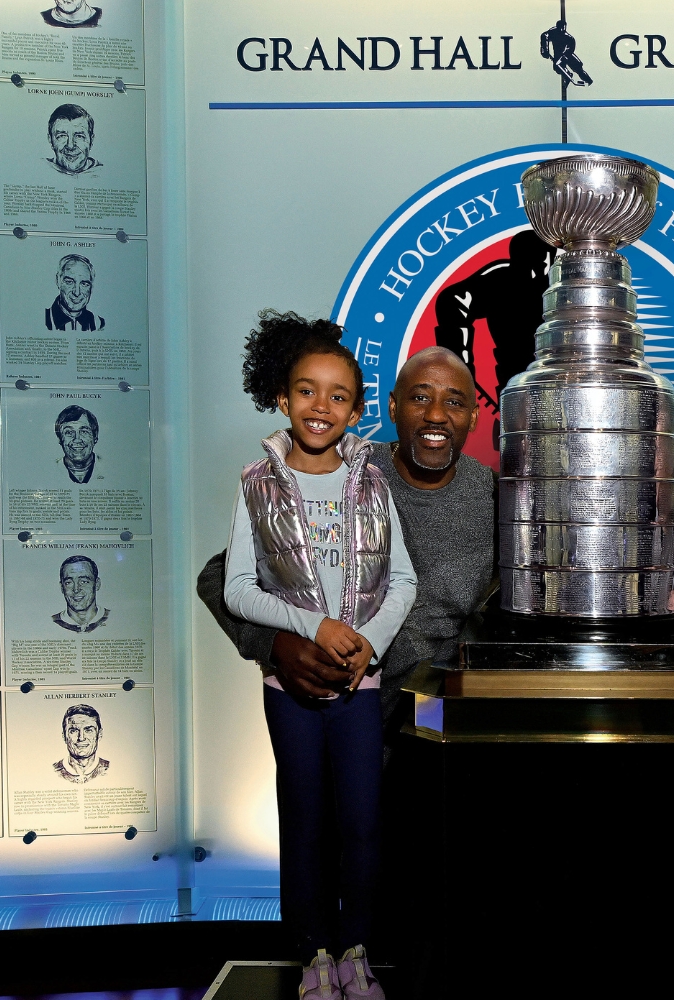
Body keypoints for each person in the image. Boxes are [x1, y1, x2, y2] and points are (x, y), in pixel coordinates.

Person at [223, 310, 417, 1000]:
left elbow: (405, 579)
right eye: (307, 391)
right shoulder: (256, 484)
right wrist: (313, 626)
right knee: (304, 819)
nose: (321, 407)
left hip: (361, 687)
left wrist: (370, 642)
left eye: (338, 396)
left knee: (362, 822)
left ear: (358, 410)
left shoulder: (371, 482)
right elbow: (237, 588)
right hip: (291, 692)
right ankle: (312, 954)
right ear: (283, 397)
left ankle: (356, 951)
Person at [433, 230, 553, 447]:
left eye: (545, 264)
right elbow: (453, 301)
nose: (538, 274)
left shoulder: (563, 282)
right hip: (513, 390)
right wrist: (461, 372)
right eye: (532, 264)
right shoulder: (503, 280)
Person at [46, 254, 105, 331]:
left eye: (84, 284)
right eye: (69, 282)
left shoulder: (99, 324)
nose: (77, 293)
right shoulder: (44, 319)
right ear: (58, 281)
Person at [52, 555, 109, 633]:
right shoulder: (53, 622)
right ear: (62, 587)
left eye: (84, 581)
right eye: (69, 582)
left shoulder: (112, 618)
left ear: (97, 584)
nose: (76, 589)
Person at [53, 704, 109, 783]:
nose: (81, 738)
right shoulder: (53, 772)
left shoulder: (110, 769)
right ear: (64, 736)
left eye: (88, 730)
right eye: (74, 731)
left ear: (99, 734)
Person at [47, 104, 100, 175]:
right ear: (50, 140)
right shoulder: (40, 168)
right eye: (62, 136)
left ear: (91, 140)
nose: (70, 146)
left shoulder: (105, 172)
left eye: (79, 136)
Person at [54, 404, 99, 483]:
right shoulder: (50, 469)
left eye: (84, 432)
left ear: (95, 437)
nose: (77, 439)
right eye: (69, 432)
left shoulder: (111, 468)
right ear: (60, 439)